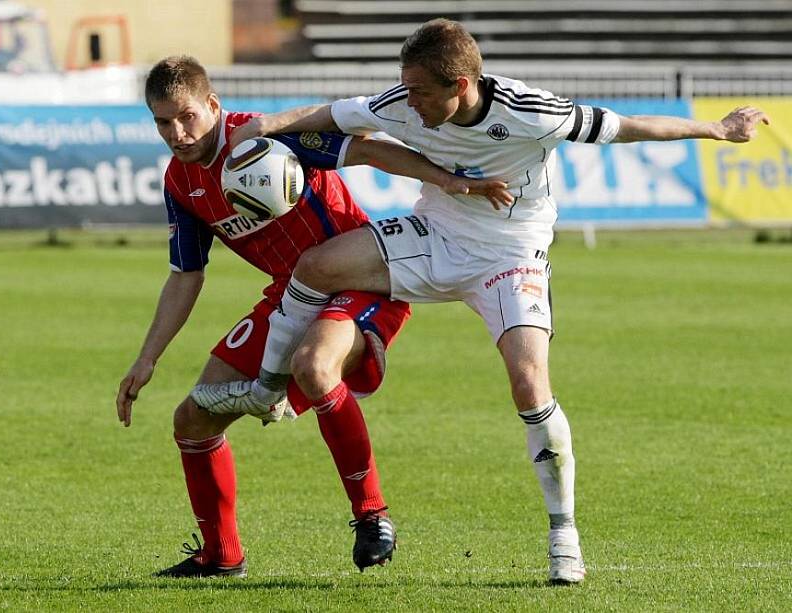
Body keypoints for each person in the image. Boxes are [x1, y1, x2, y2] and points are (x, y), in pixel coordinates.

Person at [191, 19, 770, 584]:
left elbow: (627, 126)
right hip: (435, 234)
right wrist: (264, 124)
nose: (407, 101)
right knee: (315, 266)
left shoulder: (532, 112)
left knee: (529, 382)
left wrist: (717, 130)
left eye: (419, 90)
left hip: (509, 254)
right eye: (406, 86)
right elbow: (328, 113)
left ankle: (563, 534)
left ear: (459, 86)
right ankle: (268, 389)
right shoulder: (402, 101)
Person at [115, 54, 510, 578]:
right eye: (164, 122)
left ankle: (372, 516)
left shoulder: (263, 142)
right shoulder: (179, 182)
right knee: (192, 418)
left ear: (213, 104)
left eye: (187, 116)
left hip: (364, 278)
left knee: (315, 366)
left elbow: (365, 148)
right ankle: (221, 555)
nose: (178, 133)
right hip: (288, 294)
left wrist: (447, 180)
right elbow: (186, 274)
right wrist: (147, 359)